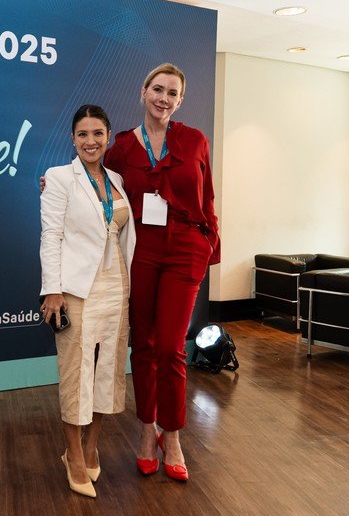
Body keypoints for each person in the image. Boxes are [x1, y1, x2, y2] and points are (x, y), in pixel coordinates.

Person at [102, 62, 220, 481]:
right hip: (141, 250)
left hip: (185, 248)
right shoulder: (121, 147)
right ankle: (146, 430)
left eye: (172, 93)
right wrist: (56, 185)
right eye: (157, 89)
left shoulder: (195, 140)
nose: (163, 98)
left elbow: (207, 198)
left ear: (180, 100)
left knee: (171, 347)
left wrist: (207, 244)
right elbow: (97, 187)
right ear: (143, 91)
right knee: (144, 345)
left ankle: (173, 435)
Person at [39, 104, 136, 498]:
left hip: (117, 285)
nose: (90, 141)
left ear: (108, 137)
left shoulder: (117, 179)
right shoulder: (59, 178)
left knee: (108, 372)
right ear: (73, 138)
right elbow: (50, 235)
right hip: (77, 288)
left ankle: (91, 446)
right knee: (76, 373)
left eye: (97, 133)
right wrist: (53, 289)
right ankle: (74, 455)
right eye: (83, 134)